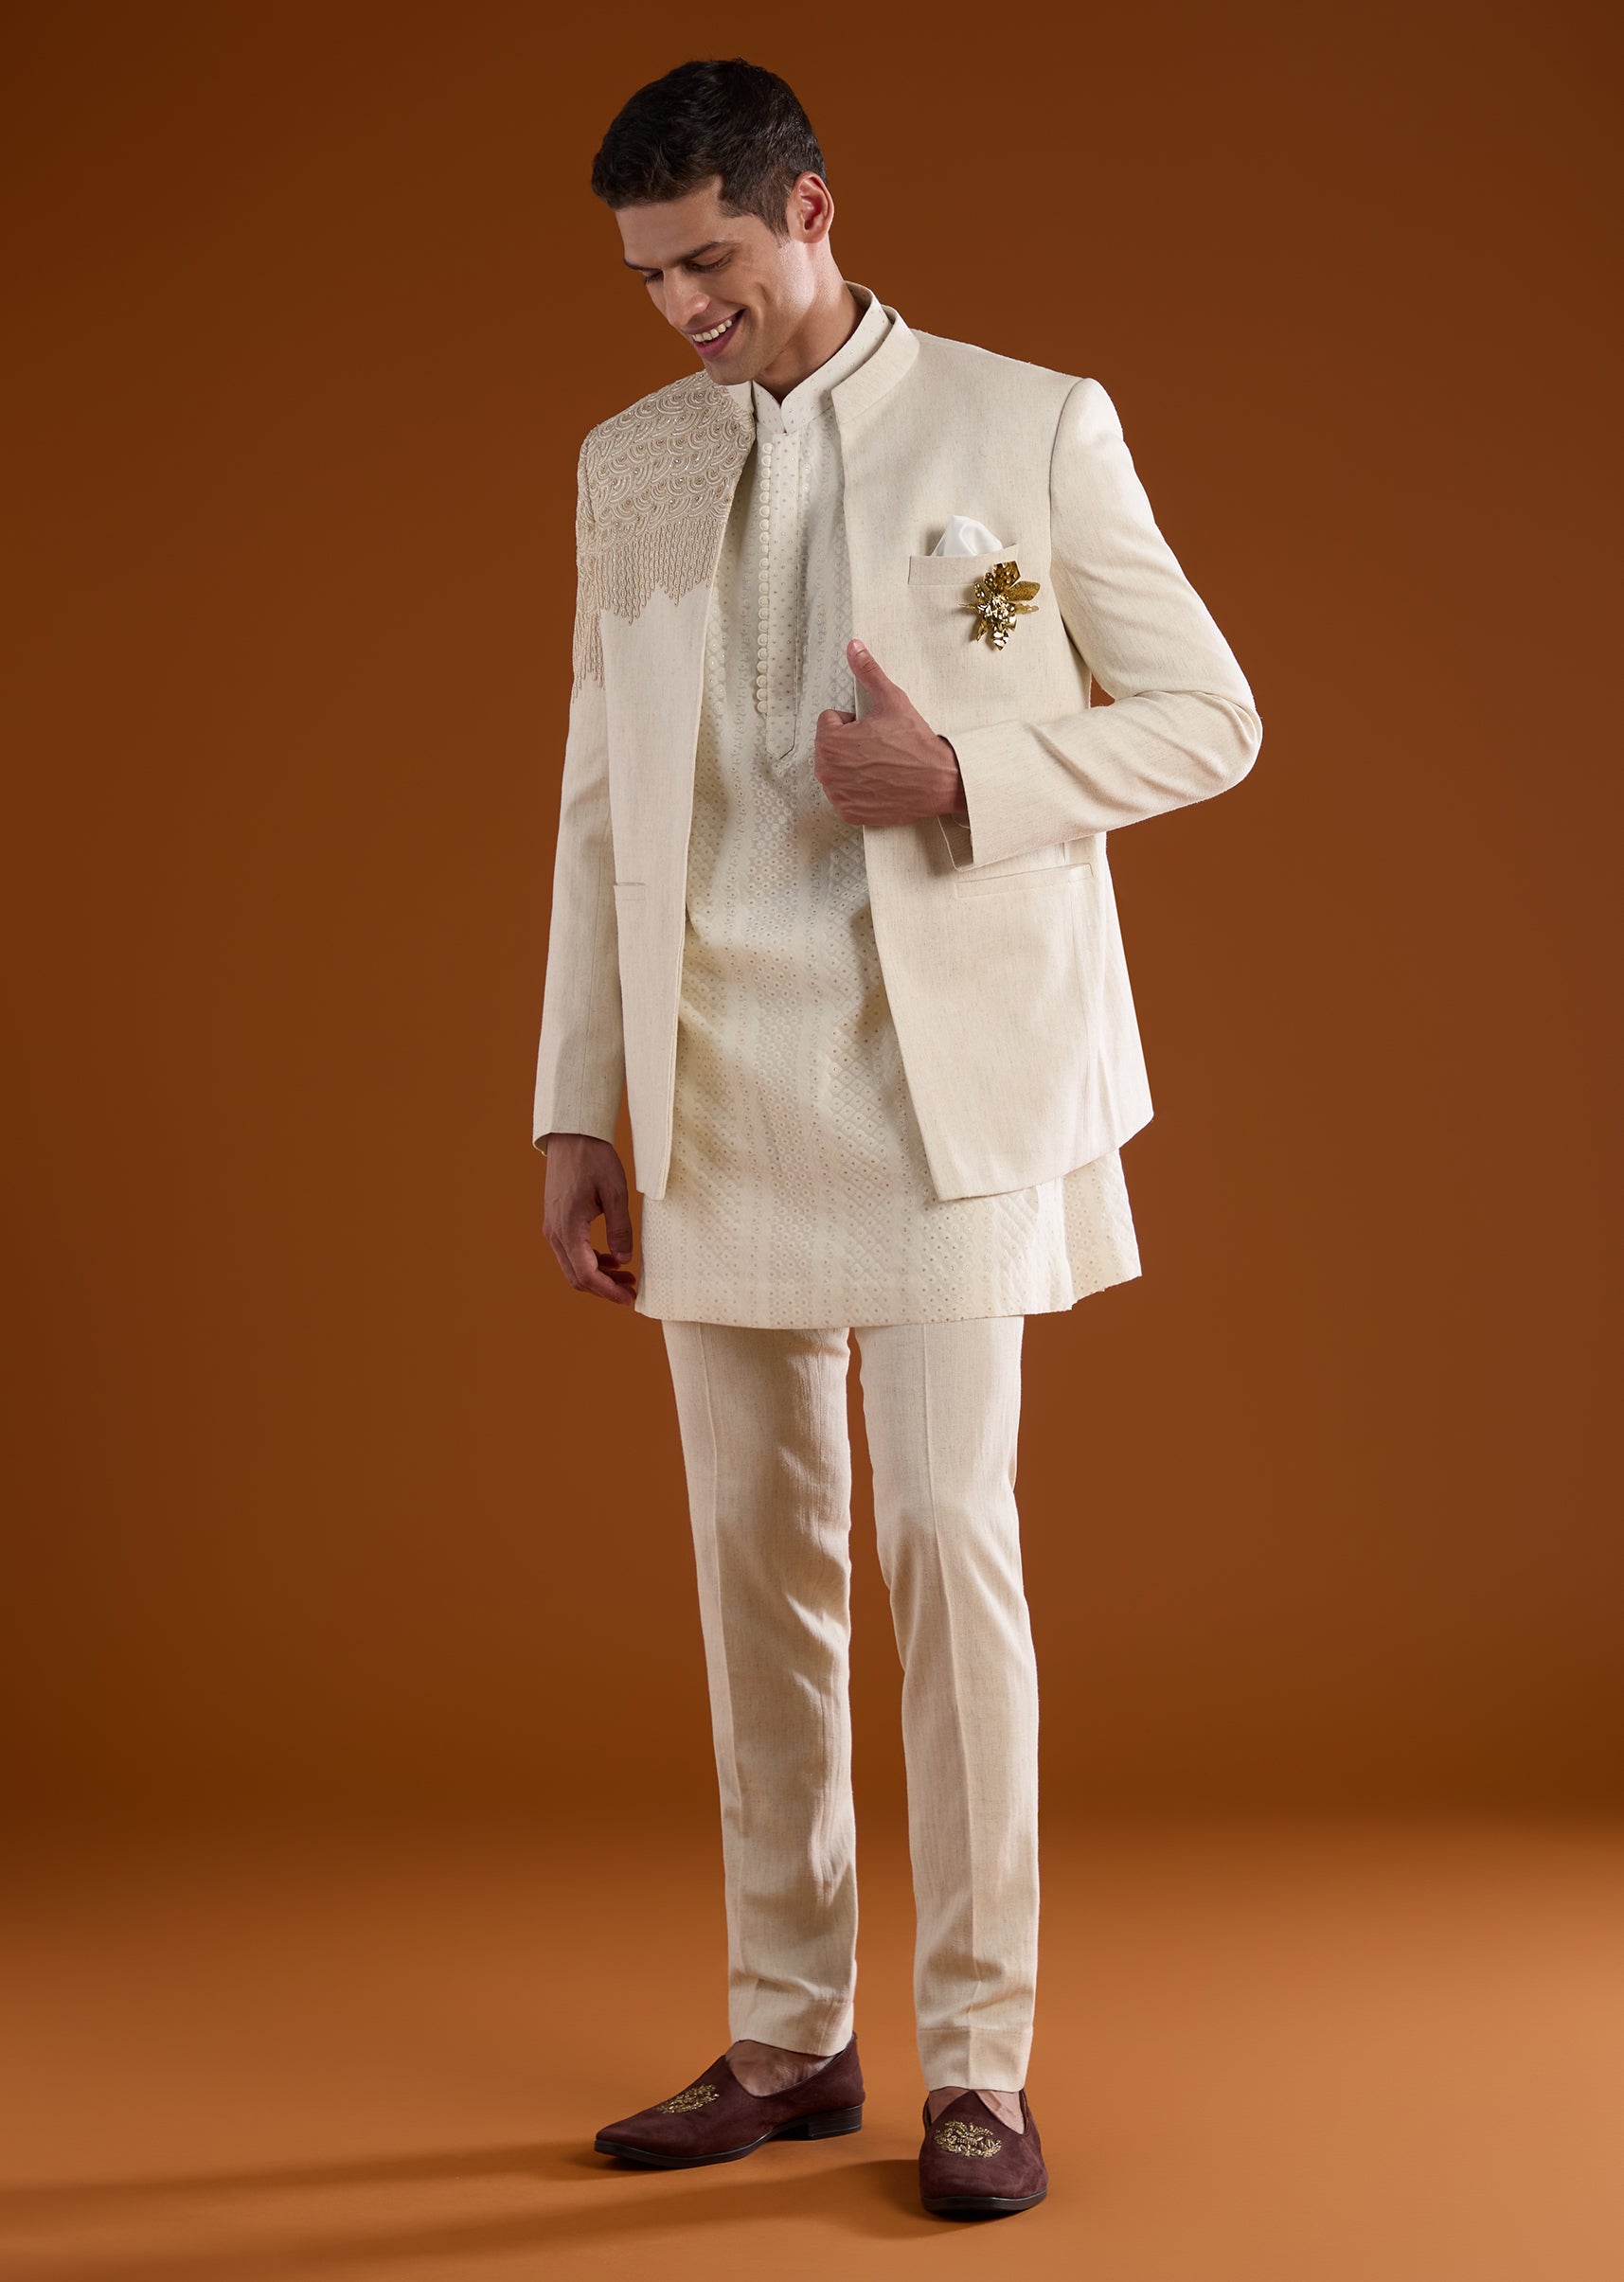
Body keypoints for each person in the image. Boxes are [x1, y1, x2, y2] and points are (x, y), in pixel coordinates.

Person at [534, 57, 1260, 2219]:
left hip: (945, 1088)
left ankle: (978, 2061)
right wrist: (575, 1102)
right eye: (650, 277)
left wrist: (967, 779)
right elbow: (593, 789)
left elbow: (1211, 714)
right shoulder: (629, 463)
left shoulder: (1028, 424)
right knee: (753, 1564)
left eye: (711, 262)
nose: (683, 307)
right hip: (715, 1080)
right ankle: (789, 2028)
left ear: (813, 214)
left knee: (947, 1541)